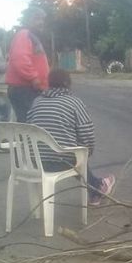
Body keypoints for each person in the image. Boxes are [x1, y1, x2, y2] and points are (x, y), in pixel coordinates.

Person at [27, 70, 115, 205]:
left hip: (35, 162)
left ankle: (96, 188)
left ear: (49, 83)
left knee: (71, 155)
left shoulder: (36, 102)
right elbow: (87, 134)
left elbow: (28, 128)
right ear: (68, 84)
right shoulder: (74, 103)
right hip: (62, 162)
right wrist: (87, 152)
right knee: (77, 156)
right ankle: (97, 188)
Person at [5, 7, 49, 122]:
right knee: (29, 126)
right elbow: (20, 59)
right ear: (27, 20)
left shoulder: (31, 36)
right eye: (37, 19)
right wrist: (34, 78)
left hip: (27, 89)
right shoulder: (24, 34)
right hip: (25, 89)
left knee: (28, 126)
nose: (41, 22)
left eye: (43, 19)